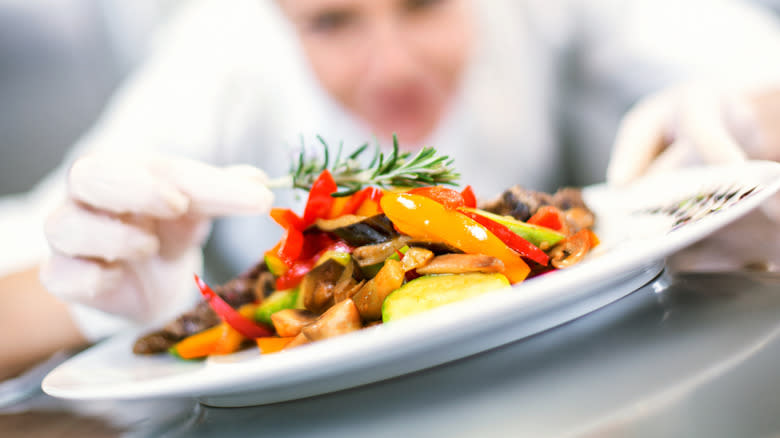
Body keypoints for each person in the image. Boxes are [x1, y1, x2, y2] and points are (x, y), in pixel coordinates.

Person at [1, 0, 779, 381]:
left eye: (422, 1)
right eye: (333, 21)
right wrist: (93, 294)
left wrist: (743, 120)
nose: (393, 65)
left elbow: (751, 64)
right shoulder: (218, 51)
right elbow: (24, 264)